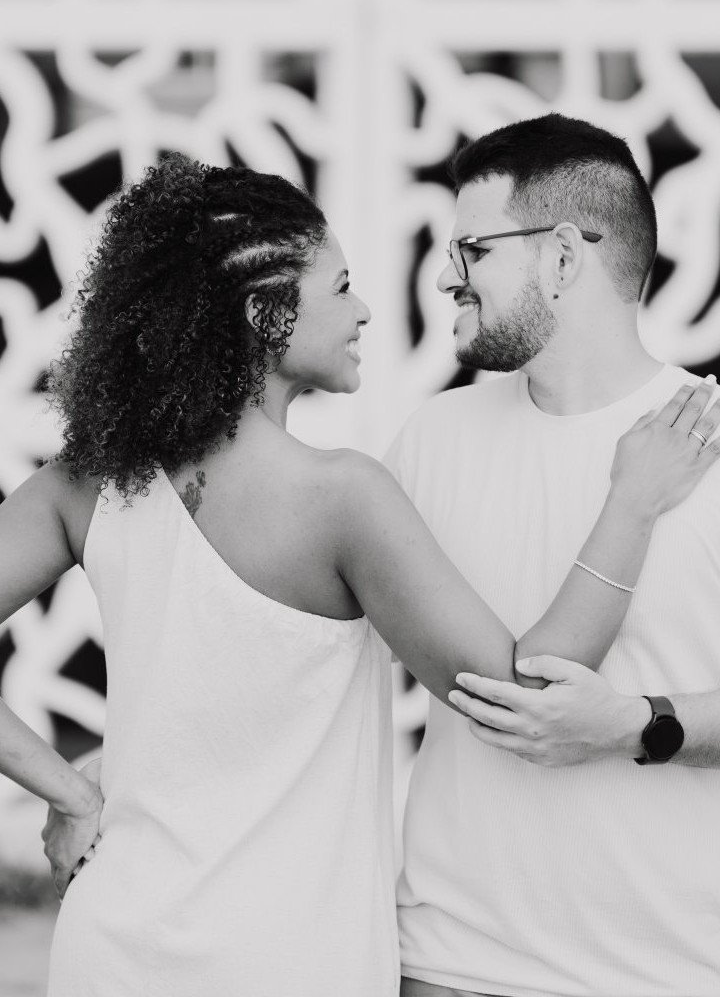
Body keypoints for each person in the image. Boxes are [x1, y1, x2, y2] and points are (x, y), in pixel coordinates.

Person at [0, 158, 715, 997]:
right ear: (266, 314)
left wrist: (70, 794)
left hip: (108, 948)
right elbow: (526, 691)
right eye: (340, 288)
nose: (366, 309)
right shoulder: (340, 498)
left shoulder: (84, 484)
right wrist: (631, 504)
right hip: (287, 963)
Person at [386, 113, 720, 997]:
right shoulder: (431, 439)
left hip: (671, 975)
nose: (446, 277)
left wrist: (636, 724)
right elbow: (334, 657)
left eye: (472, 250)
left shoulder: (710, 441)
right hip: (453, 966)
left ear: (564, 256)